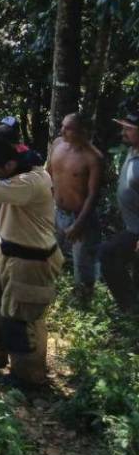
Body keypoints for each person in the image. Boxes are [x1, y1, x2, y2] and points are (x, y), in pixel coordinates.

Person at [0, 134, 63, 388]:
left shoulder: (32, 180)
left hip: (31, 257)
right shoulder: (15, 169)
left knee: (19, 321)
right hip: (4, 247)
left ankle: (29, 378)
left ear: (8, 165)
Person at [47, 113, 104, 304]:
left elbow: (93, 195)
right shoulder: (57, 144)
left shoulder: (93, 157)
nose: (62, 130)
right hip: (57, 212)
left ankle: (83, 303)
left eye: (68, 128)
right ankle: (51, 294)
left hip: (81, 218)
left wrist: (79, 224)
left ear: (82, 131)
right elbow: (48, 175)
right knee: (50, 255)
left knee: (83, 264)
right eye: (62, 126)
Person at [100, 105, 139, 313]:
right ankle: (131, 308)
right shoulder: (133, 150)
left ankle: (129, 307)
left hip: (137, 231)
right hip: (131, 225)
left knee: (107, 253)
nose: (123, 132)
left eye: (129, 129)